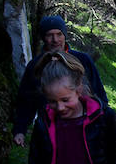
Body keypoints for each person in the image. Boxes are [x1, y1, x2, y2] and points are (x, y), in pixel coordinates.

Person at [13, 15, 109, 146]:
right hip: (49, 129)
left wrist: (102, 121)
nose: (55, 40)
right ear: (43, 38)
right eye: (49, 35)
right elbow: (26, 100)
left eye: (59, 34)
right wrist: (20, 130)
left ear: (65, 35)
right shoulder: (36, 65)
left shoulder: (83, 60)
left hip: (83, 126)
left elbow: (99, 92)